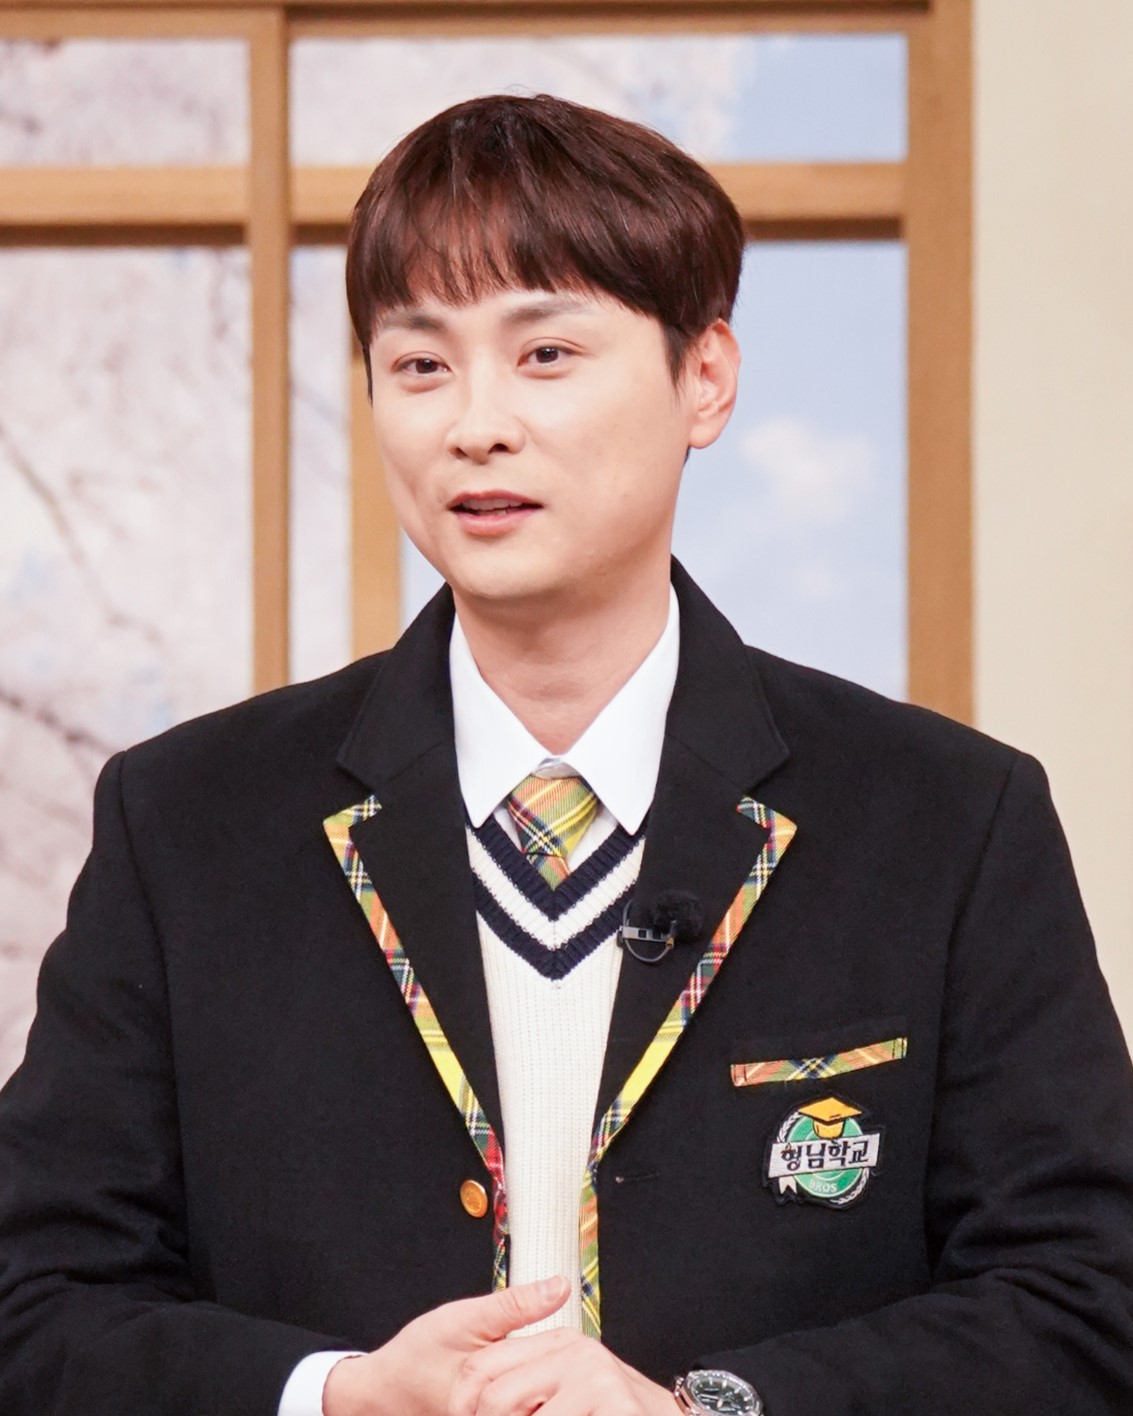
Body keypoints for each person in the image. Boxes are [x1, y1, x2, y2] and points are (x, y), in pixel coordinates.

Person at [2, 92, 1132, 1416]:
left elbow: (1084, 1300)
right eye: (420, 365)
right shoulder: (187, 821)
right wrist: (337, 1397)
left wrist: (703, 1413)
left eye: (544, 353)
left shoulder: (944, 819)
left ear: (704, 379)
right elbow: (36, 1303)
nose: (474, 424)